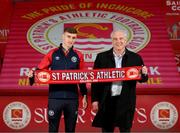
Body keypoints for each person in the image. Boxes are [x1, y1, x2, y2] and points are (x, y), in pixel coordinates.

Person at [28, 27, 88, 133]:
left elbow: (82, 76)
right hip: (55, 98)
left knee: (70, 130)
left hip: (72, 98)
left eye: (73, 38)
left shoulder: (78, 55)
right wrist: (32, 74)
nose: (71, 40)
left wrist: (84, 95)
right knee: (53, 129)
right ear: (63, 37)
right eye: (68, 37)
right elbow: (40, 69)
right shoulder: (52, 53)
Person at [91, 30, 148, 132]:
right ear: (111, 41)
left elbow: (143, 79)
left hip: (126, 100)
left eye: (121, 38)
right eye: (115, 39)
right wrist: (95, 100)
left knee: (125, 130)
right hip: (107, 99)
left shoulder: (135, 58)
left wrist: (144, 73)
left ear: (126, 40)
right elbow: (95, 81)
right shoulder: (101, 57)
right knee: (107, 130)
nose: (118, 41)